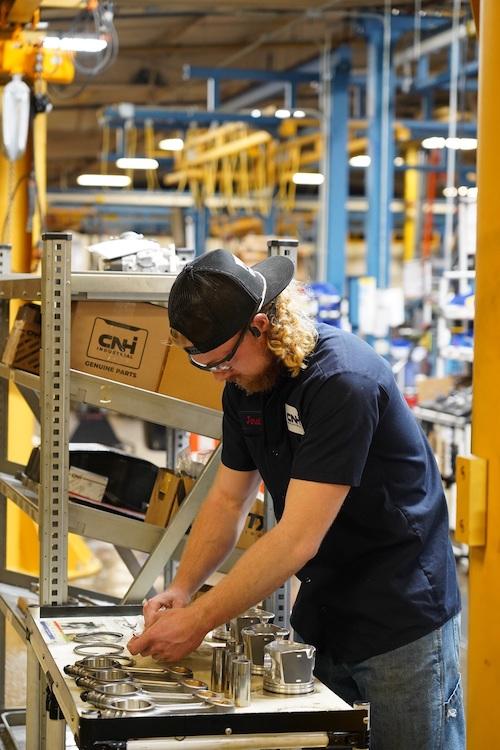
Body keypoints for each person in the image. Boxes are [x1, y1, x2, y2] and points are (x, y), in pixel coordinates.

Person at [128, 248, 465, 750]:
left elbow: (296, 538)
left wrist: (198, 622)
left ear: (261, 326)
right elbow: (226, 500)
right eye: (206, 366)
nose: (219, 375)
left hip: (400, 619)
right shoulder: (245, 384)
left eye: (222, 361)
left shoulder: (341, 383)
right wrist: (183, 588)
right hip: (325, 612)